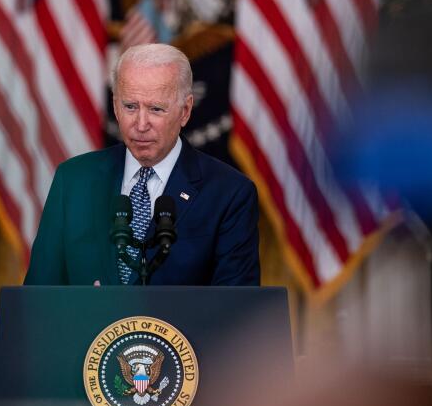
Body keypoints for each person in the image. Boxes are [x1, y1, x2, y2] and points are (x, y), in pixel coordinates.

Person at [24, 43, 260, 285]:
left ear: (185, 111)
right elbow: (37, 300)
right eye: (130, 107)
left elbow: (237, 312)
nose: (141, 124)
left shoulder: (230, 194)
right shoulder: (74, 180)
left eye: (156, 109)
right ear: (115, 106)